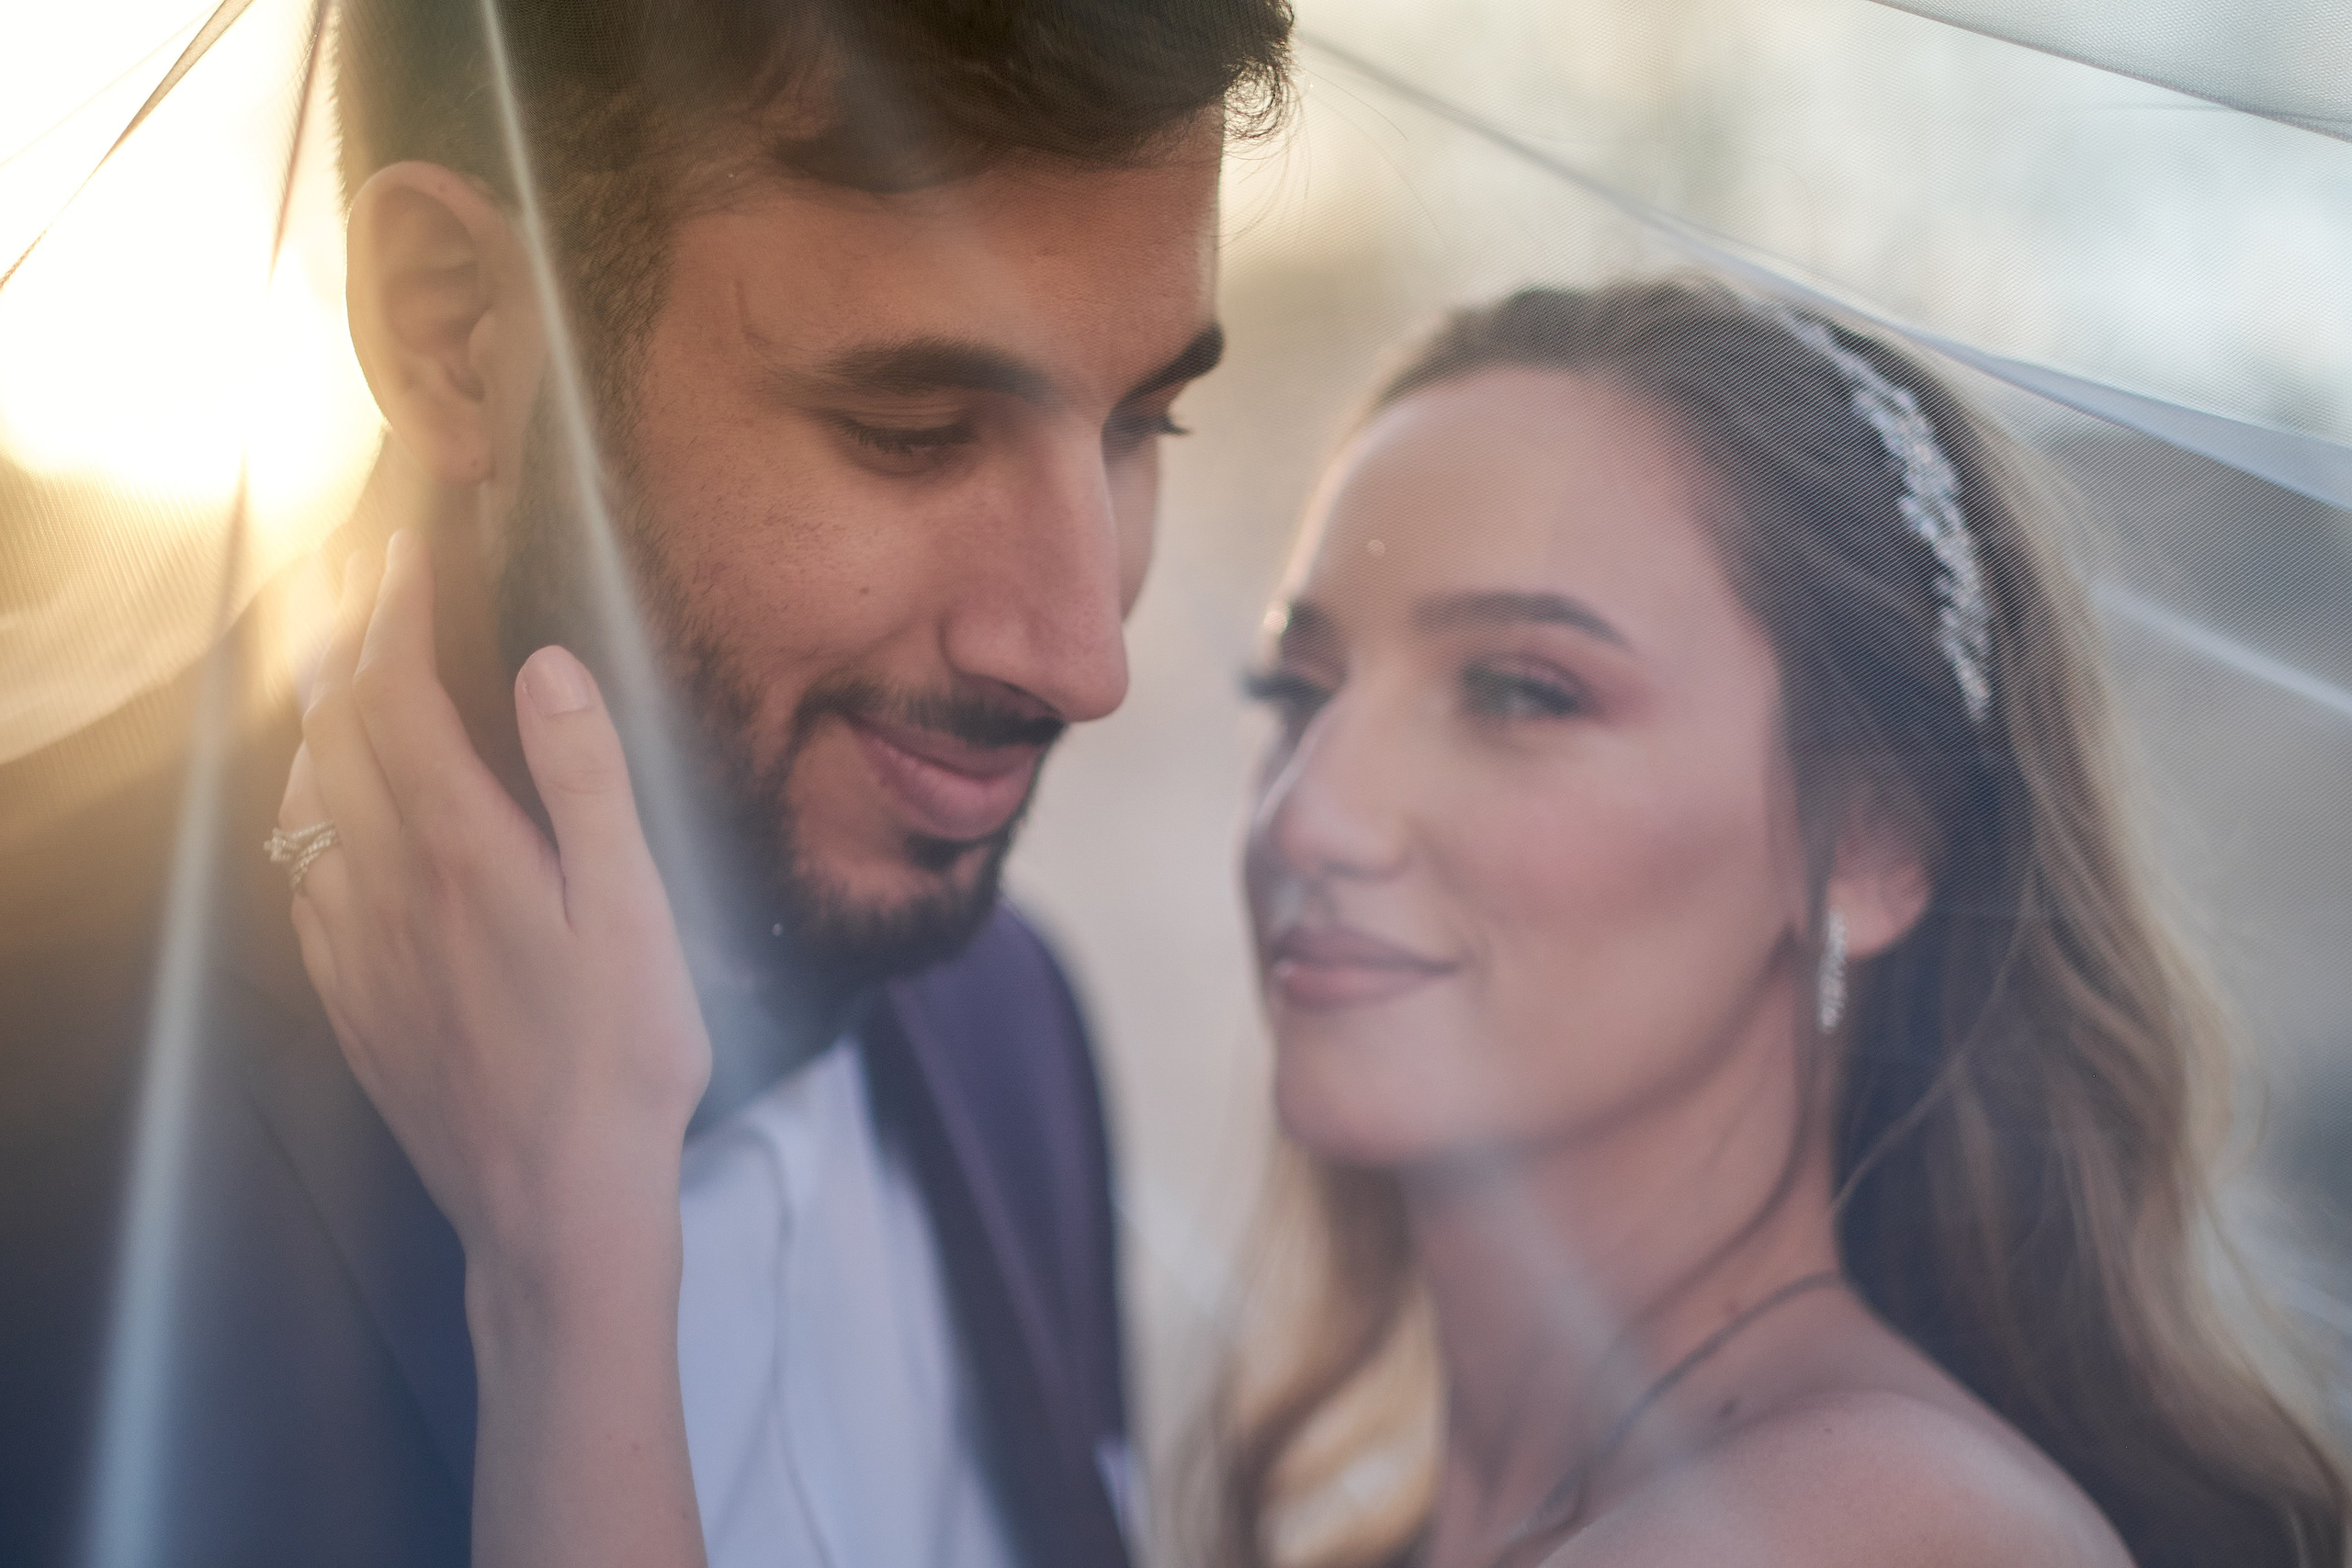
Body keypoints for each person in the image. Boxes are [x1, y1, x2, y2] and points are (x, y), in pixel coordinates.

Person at [284, 279, 2346, 1568]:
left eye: (1520, 690)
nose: (1314, 811)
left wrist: (570, 1265)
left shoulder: (1880, 1532)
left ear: (1872, 842)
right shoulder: (1377, 1523)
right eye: (1298, 689)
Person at [0, 1, 1291, 1563]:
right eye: (914, 432)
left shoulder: (1012, 1026)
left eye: (1143, 424)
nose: (1086, 656)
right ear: (457, 334)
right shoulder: (45, 1093)